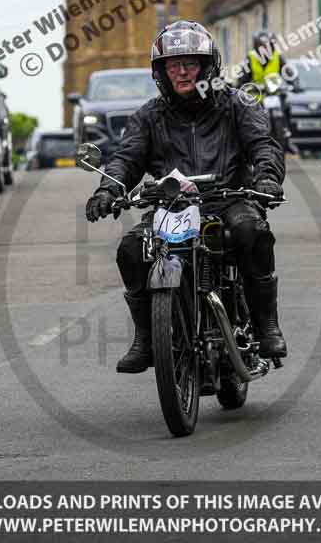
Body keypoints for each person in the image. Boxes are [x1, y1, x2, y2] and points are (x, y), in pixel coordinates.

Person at [85, 20, 287, 374]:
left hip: (230, 198)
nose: (181, 72)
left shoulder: (237, 103)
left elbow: (263, 145)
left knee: (251, 233)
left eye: (190, 63)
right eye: (172, 65)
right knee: (131, 249)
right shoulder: (149, 116)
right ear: (160, 71)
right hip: (173, 205)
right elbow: (126, 159)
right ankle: (146, 339)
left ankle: (266, 325)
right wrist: (108, 188)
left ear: (208, 66)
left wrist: (267, 179)